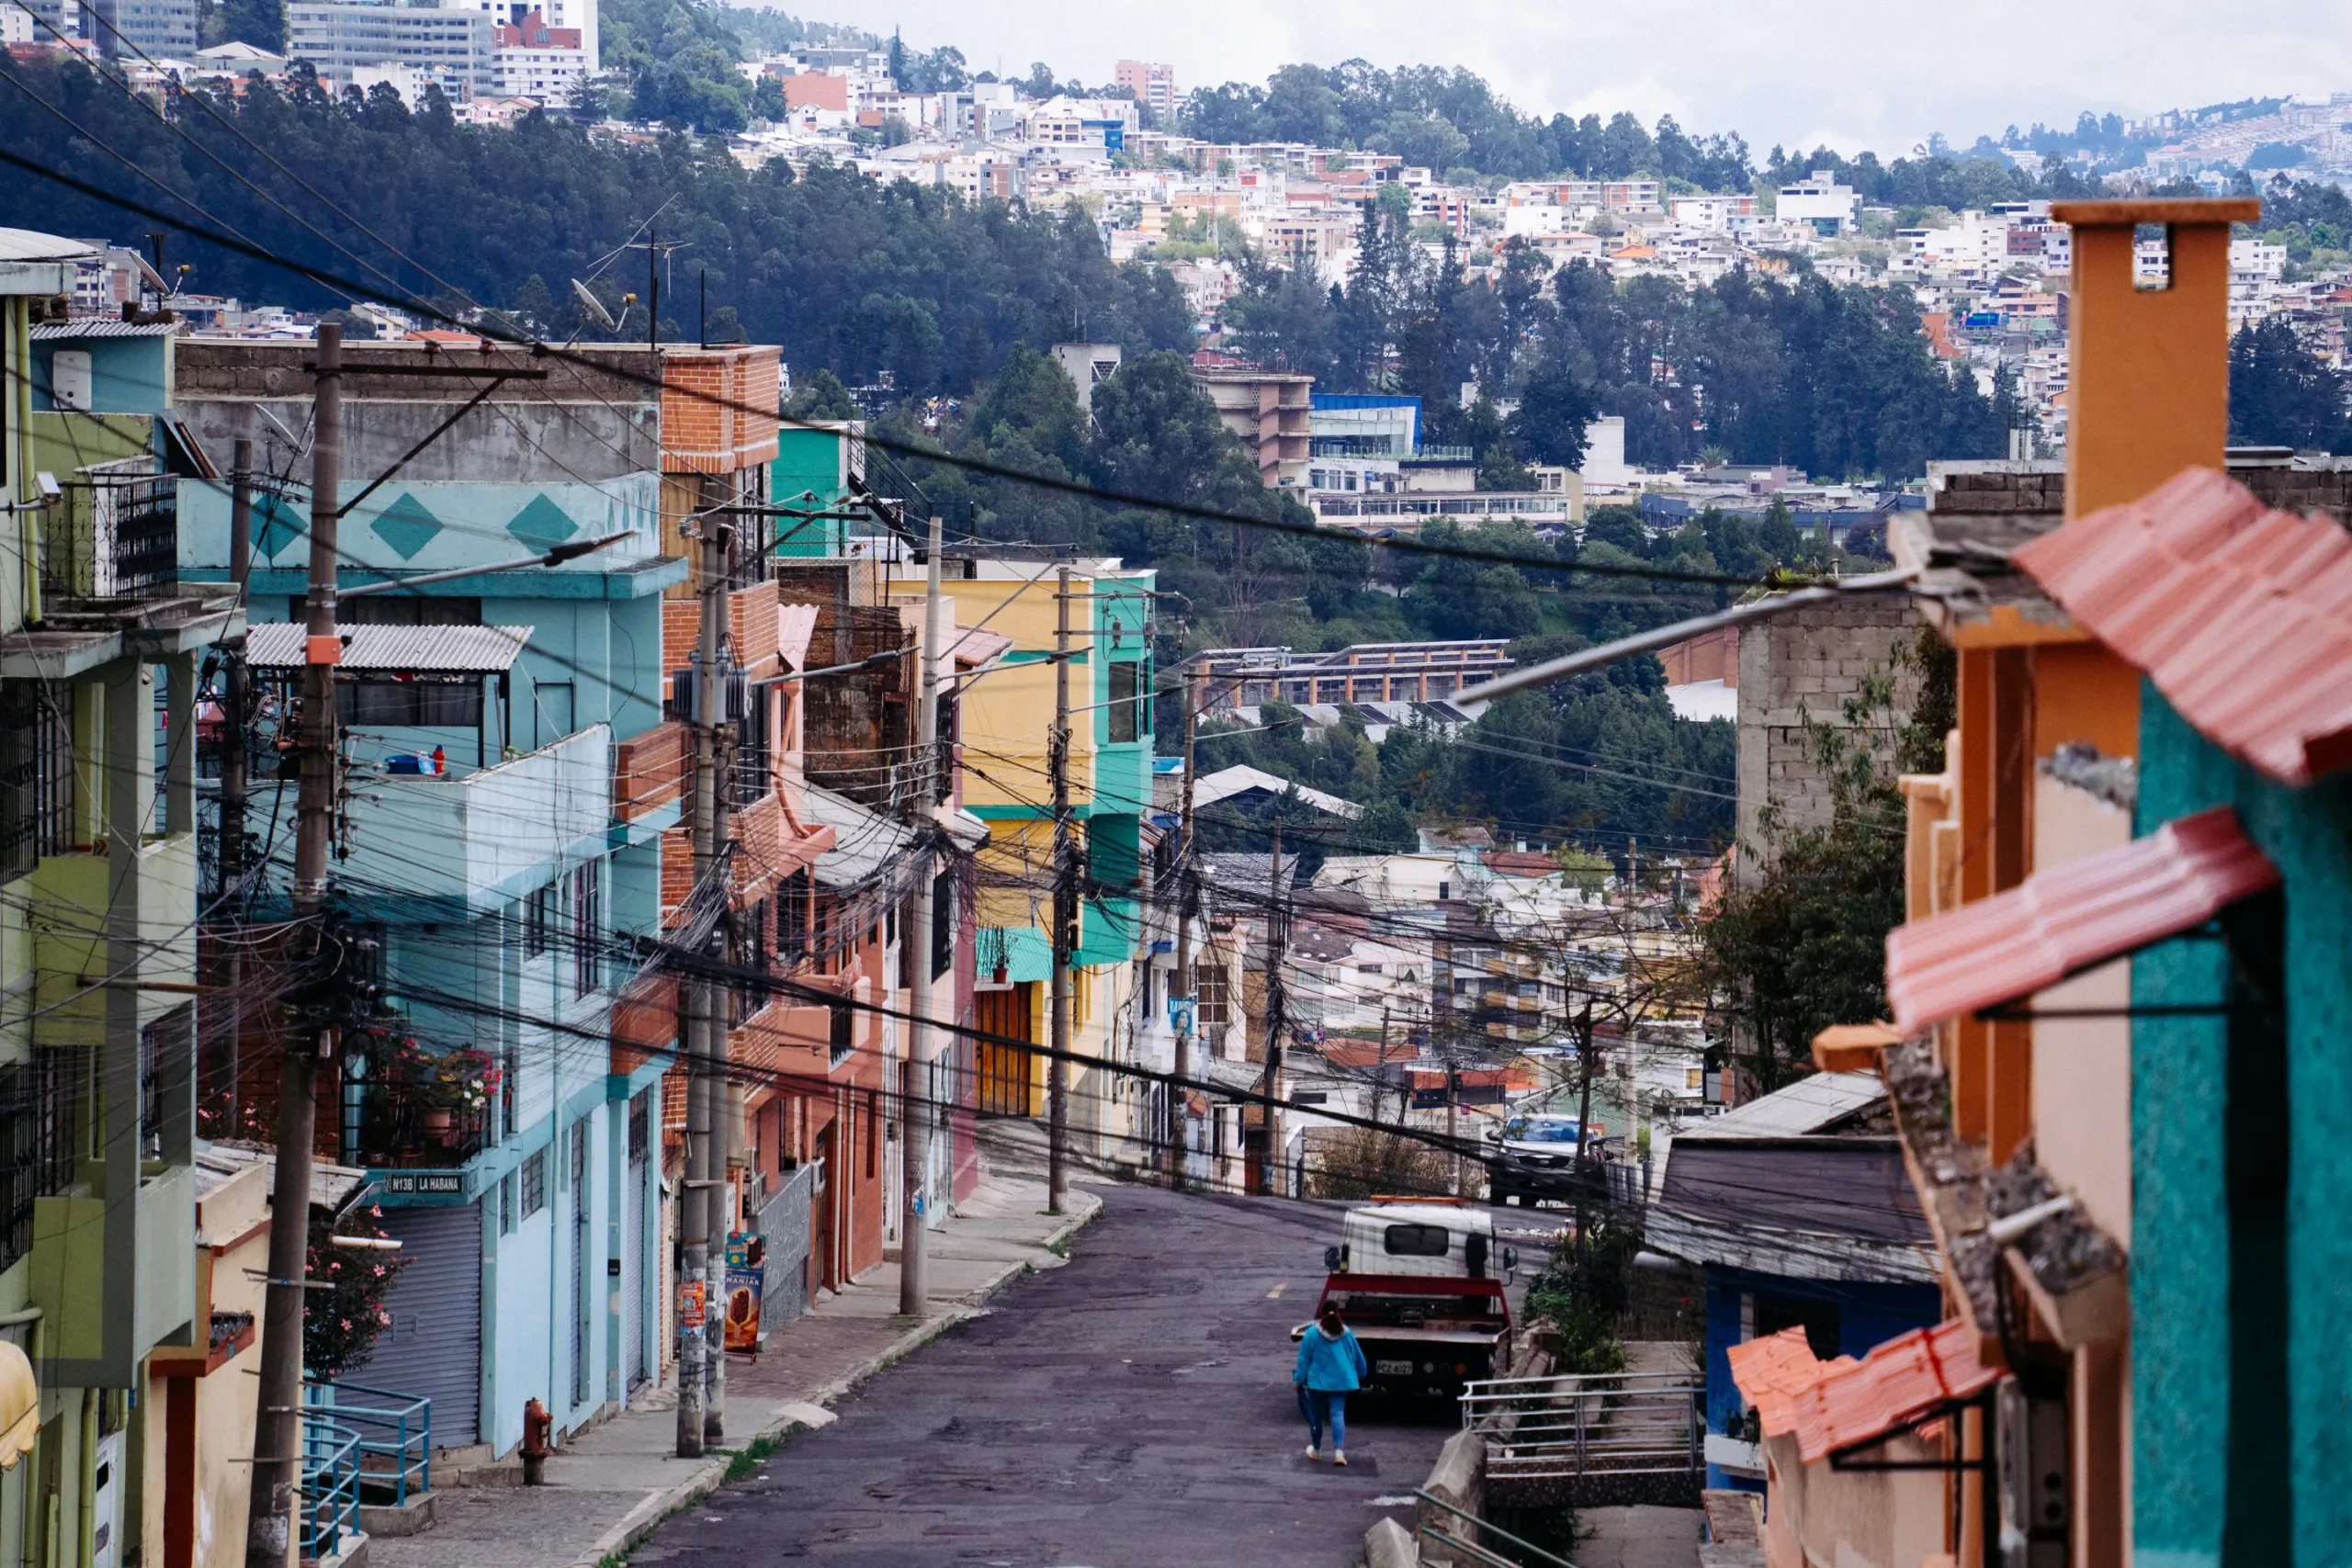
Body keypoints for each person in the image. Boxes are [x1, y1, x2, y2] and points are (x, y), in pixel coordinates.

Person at [1294, 1303, 1367, 1465]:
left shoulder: (1312, 1333)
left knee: (1317, 1417)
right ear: (1338, 1314)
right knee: (1337, 1414)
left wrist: (1299, 1381)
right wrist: (1362, 1372)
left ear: (1322, 1314)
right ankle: (1339, 1452)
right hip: (1341, 1381)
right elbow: (1357, 1356)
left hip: (1317, 1383)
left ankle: (1317, 1449)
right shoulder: (1346, 1333)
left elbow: (1304, 1360)